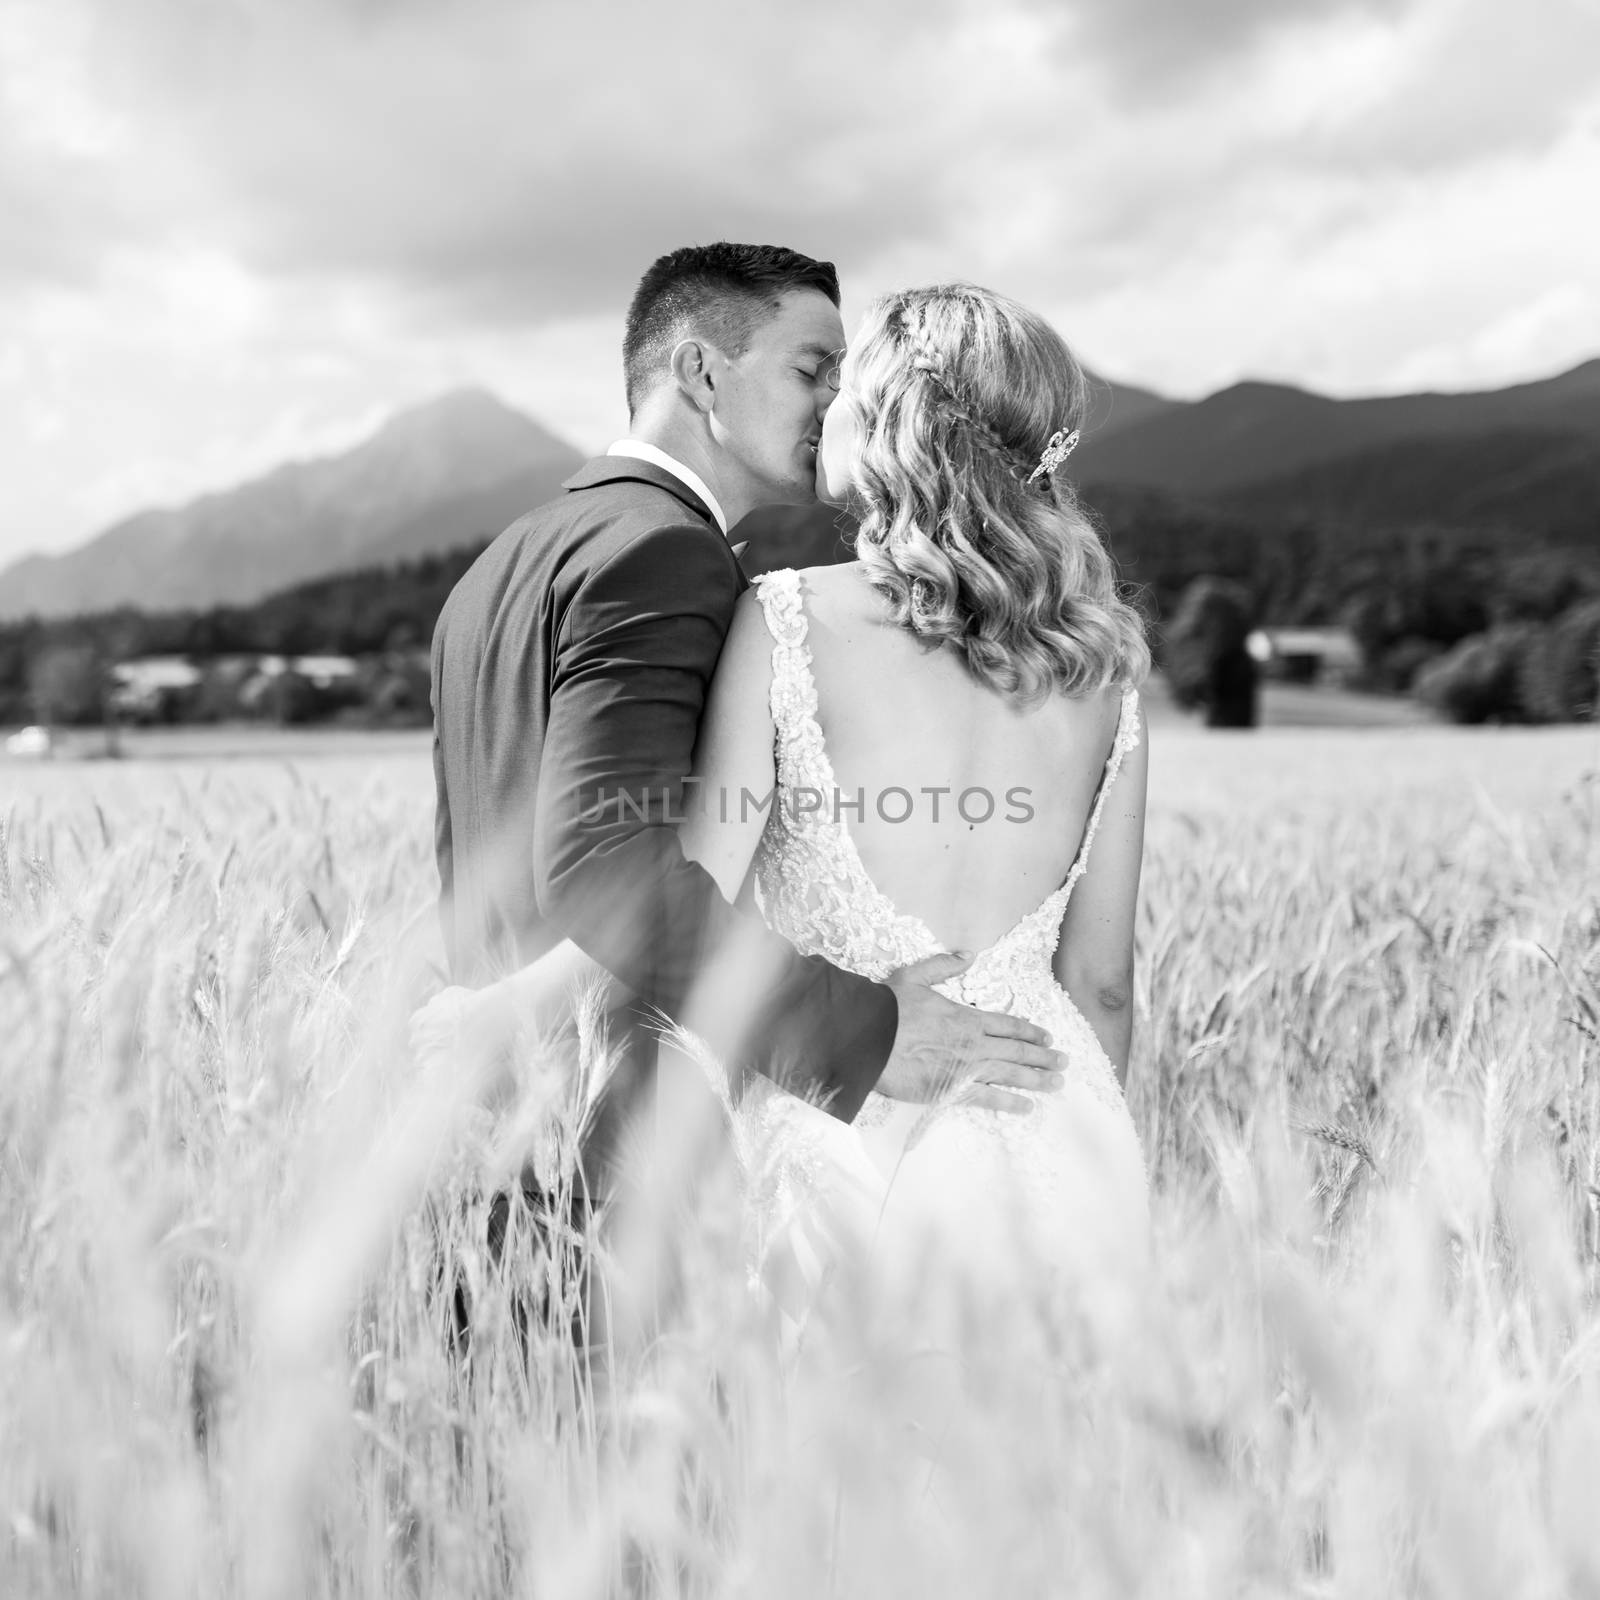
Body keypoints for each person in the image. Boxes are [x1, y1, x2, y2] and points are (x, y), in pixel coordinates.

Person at [420, 277, 1151, 1313]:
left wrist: (508, 1006)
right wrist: (1071, 1144)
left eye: (844, 383)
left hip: (838, 1142)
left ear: (893, 420)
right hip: (1053, 1119)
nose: (826, 407)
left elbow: (677, 888)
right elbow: (1103, 981)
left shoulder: (786, 619)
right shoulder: (1106, 673)